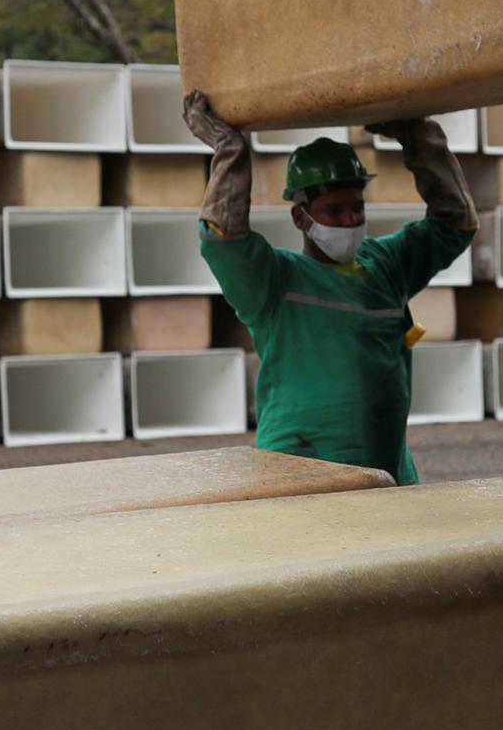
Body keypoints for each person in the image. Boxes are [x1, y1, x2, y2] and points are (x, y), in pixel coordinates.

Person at [182, 93, 477, 485]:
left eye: (357, 207)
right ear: (300, 217)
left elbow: (455, 224)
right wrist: (229, 150)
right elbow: (223, 237)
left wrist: (418, 138)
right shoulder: (274, 281)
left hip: (386, 475)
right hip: (298, 479)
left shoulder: (387, 266)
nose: (350, 219)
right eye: (334, 211)